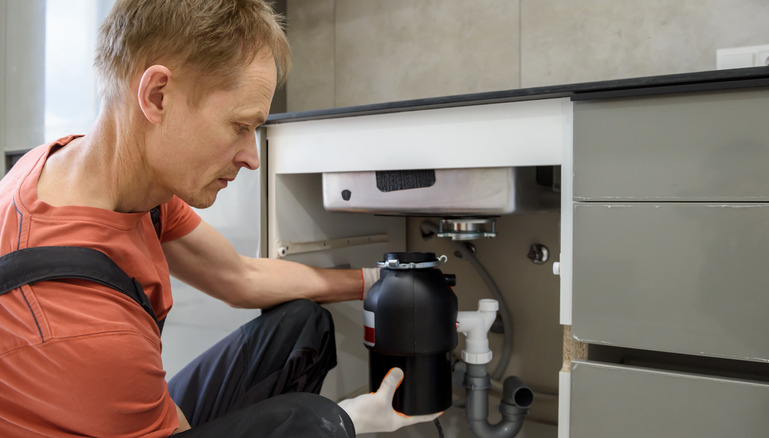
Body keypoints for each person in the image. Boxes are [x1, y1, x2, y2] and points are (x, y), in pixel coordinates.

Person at [0, 0, 440, 436]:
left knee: (300, 325)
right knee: (311, 421)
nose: (252, 158)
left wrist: (378, 281)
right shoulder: (79, 322)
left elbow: (239, 277)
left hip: (118, 405)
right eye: (239, 126)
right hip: (112, 403)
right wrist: (344, 424)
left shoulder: (104, 175)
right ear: (157, 96)